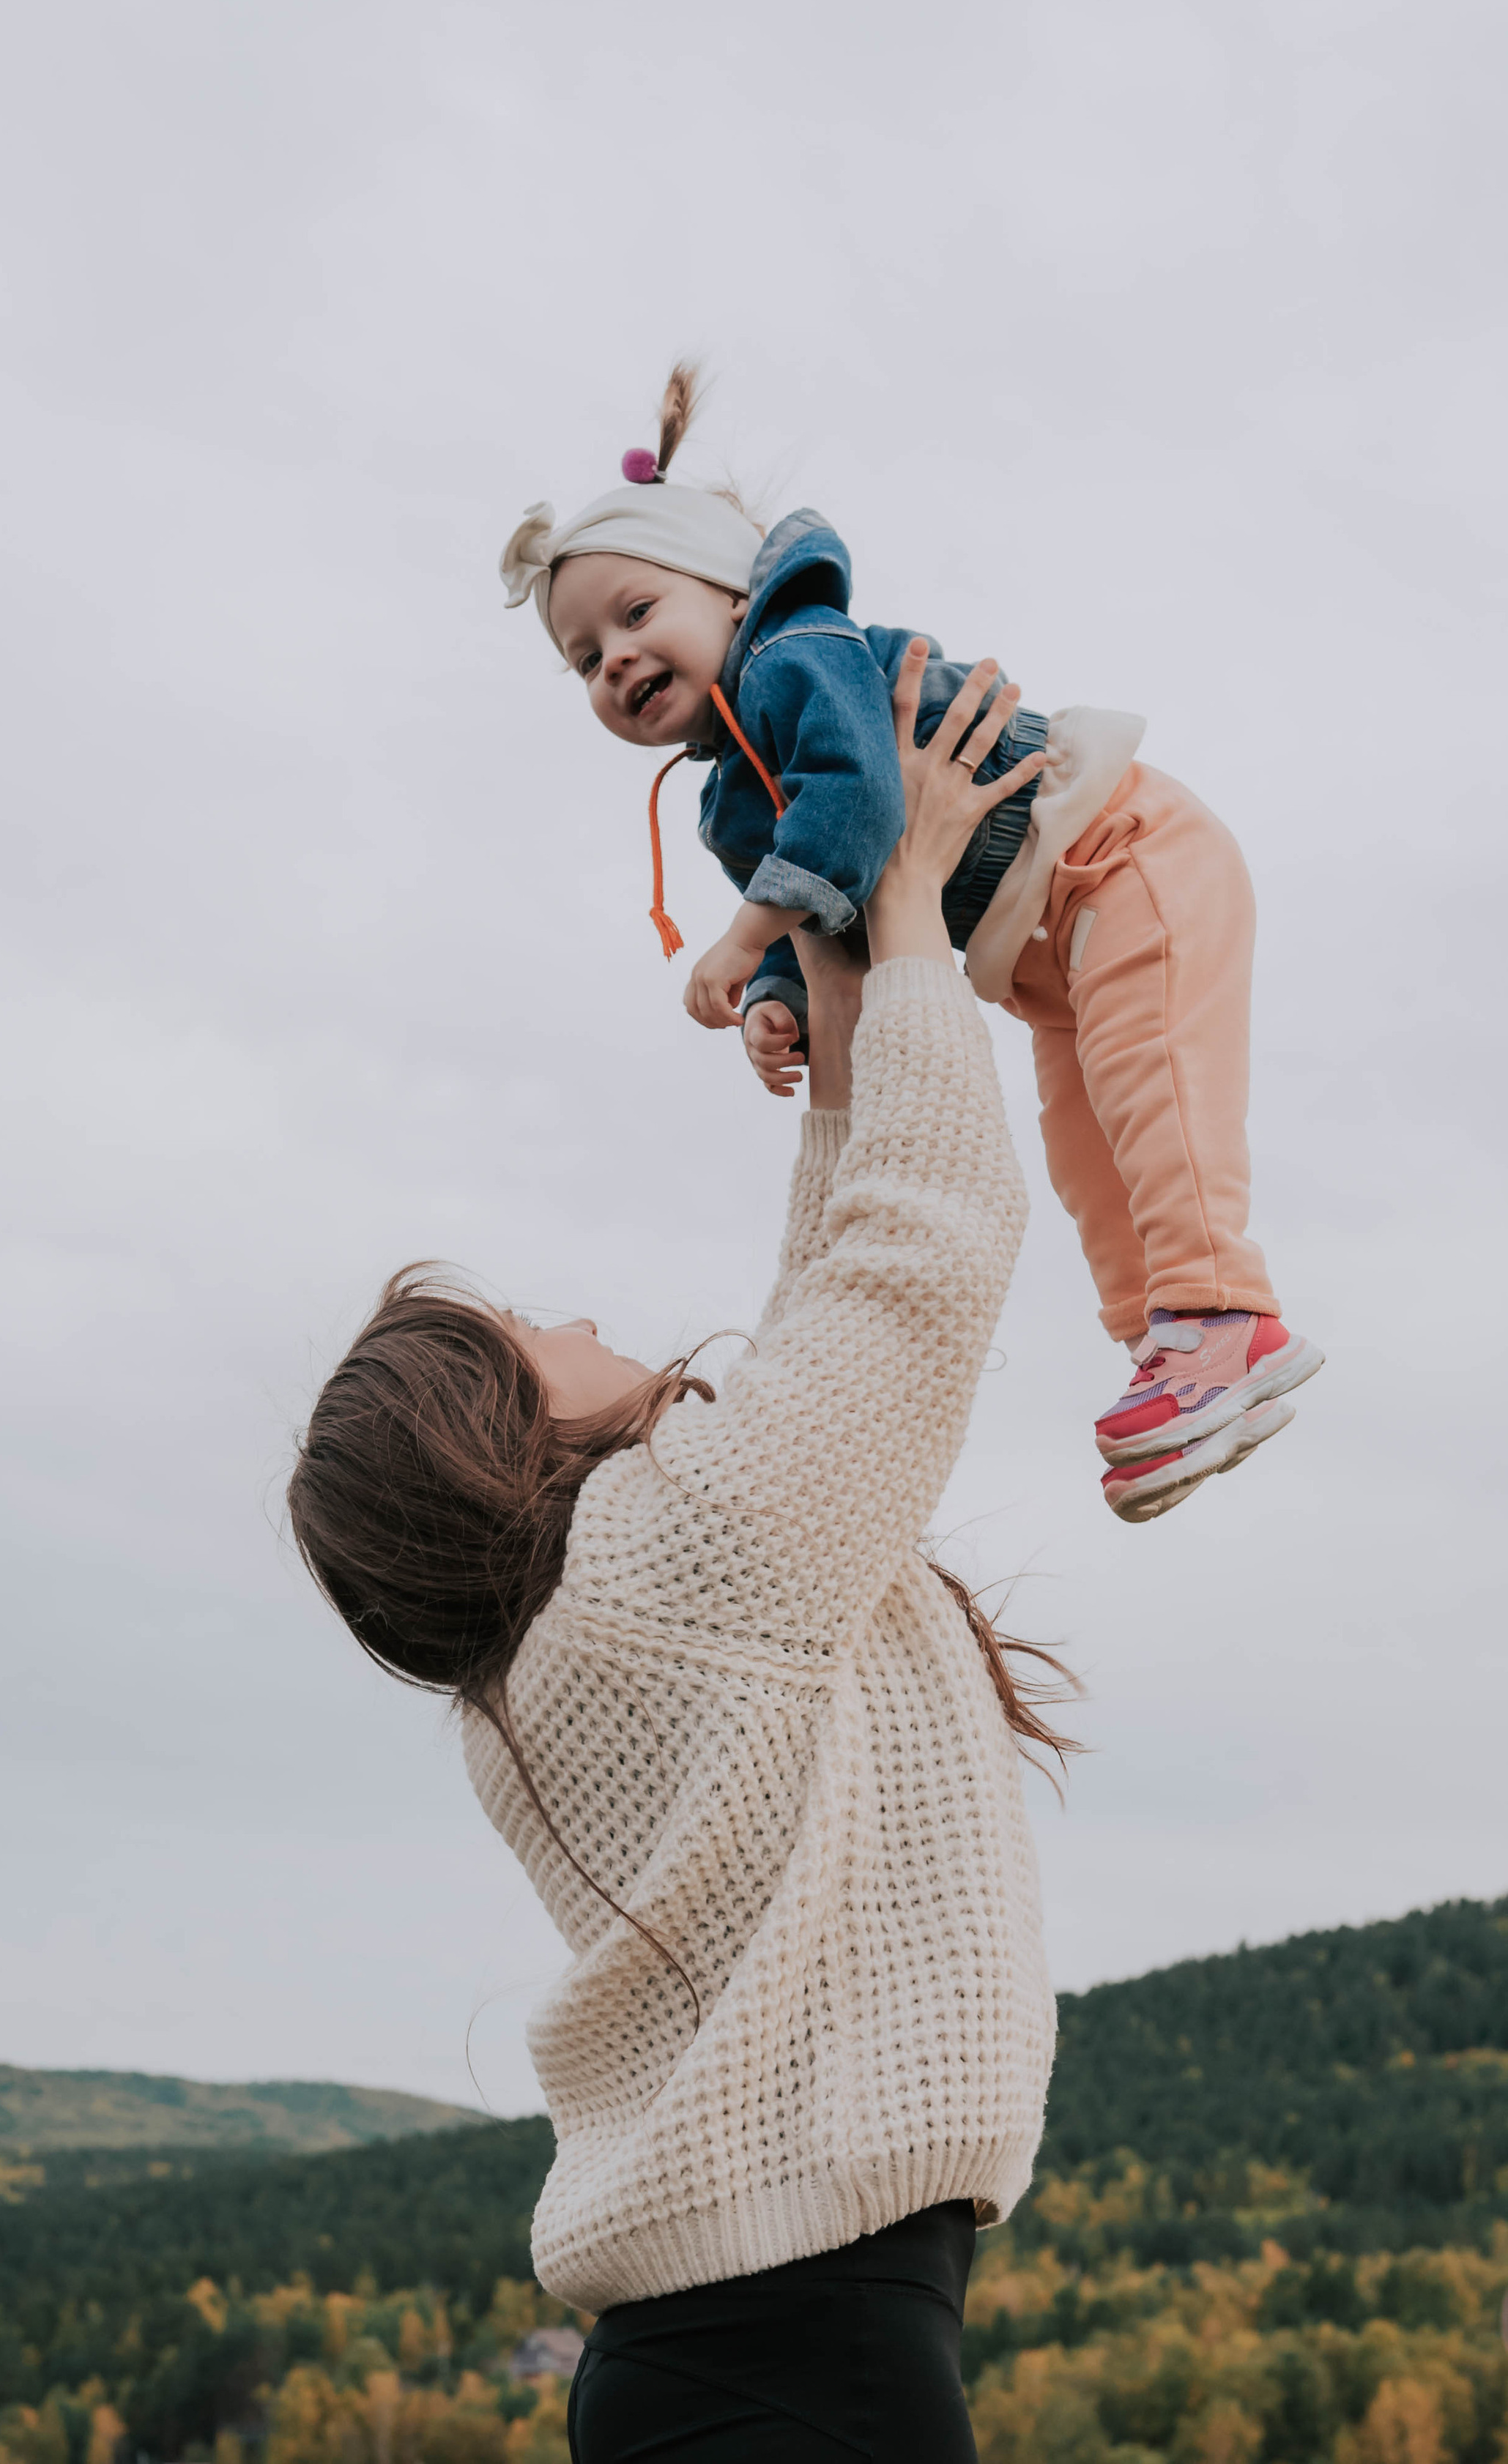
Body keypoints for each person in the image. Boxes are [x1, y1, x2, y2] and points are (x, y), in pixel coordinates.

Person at [289, 652, 1074, 2460]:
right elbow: (917, 1256)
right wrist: (902, 901)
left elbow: (814, 1337)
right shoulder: (667, 1565)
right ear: (502, 1436)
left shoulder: (567, 1642)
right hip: (803, 2371)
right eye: (530, 1332)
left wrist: (836, 1004)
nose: (575, 1315)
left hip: (734, 2365)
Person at [499, 365, 1323, 1524]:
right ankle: (1171, 1349)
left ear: (732, 594)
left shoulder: (799, 654)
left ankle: (1222, 1315)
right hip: (1047, 959)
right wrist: (775, 995)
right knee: (1088, 1154)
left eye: (636, 615)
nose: (617, 660)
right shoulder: (727, 801)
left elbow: (855, 804)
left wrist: (739, 940)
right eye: (586, 658)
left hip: (1121, 858)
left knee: (1155, 1095)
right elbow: (816, 910)